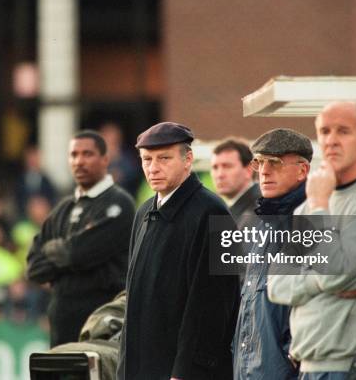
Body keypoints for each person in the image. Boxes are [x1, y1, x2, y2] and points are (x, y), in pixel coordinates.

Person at [267, 102, 356, 379]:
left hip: (348, 365)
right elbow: (276, 284)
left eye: (343, 131)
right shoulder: (311, 200)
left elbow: (336, 274)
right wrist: (319, 279)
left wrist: (321, 206)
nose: (331, 140)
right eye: (324, 131)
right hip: (306, 364)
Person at [118, 122, 239, 380]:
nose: (153, 168)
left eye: (164, 158)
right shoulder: (143, 213)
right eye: (146, 159)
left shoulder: (215, 212)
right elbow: (134, 301)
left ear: (188, 160)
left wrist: (186, 371)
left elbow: (215, 305)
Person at [27, 130, 135, 346]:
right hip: (61, 328)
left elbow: (79, 253)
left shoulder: (119, 203)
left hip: (102, 328)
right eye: (74, 155)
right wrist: (70, 254)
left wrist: (62, 254)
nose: (79, 161)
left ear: (105, 159)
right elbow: (34, 268)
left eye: (87, 154)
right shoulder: (62, 210)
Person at [232, 128, 312, 380]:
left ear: (303, 170)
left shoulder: (308, 222)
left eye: (275, 163)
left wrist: (289, 359)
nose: (264, 171)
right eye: (260, 162)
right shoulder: (262, 223)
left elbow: (314, 297)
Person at [211, 137, 261, 226]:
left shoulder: (260, 211)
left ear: (248, 171)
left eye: (227, 166)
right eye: (215, 167)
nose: (219, 175)